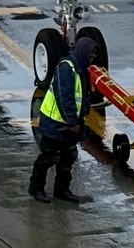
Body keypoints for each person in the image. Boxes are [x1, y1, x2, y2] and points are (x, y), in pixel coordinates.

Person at [29, 33, 100, 204]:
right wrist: (72, 121)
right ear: (83, 52)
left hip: (68, 124)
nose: (92, 58)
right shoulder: (66, 68)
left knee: (68, 157)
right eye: (91, 54)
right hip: (55, 124)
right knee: (48, 157)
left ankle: (62, 190)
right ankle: (36, 187)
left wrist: (81, 116)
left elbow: (81, 96)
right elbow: (64, 97)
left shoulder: (80, 69)